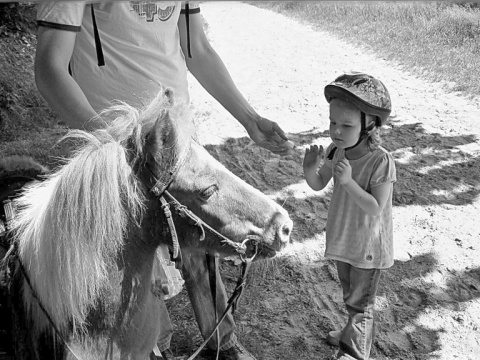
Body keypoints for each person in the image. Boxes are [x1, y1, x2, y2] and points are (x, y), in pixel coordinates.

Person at [34, 2, 294, 360]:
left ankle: (221, 343)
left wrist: (249, 119)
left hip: (177, 135)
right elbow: (50, 68)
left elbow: (196, 49)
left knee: (200, 239)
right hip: (113, 150)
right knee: (130, 268)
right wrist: (116, 148)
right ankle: (155, 347)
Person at [303, 72, 396, 360]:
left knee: (361, 304)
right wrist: (310, 170)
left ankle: (354, 353)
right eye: (333, 123)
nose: (336, 131)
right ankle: (349, 332)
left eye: (346, 125)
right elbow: (319, 183)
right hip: (345, 238)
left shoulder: (380, 160)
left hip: (368, 245)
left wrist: (349, 182)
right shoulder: (336, 150)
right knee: (350, 295)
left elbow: (374, 207)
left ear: (369, 125)